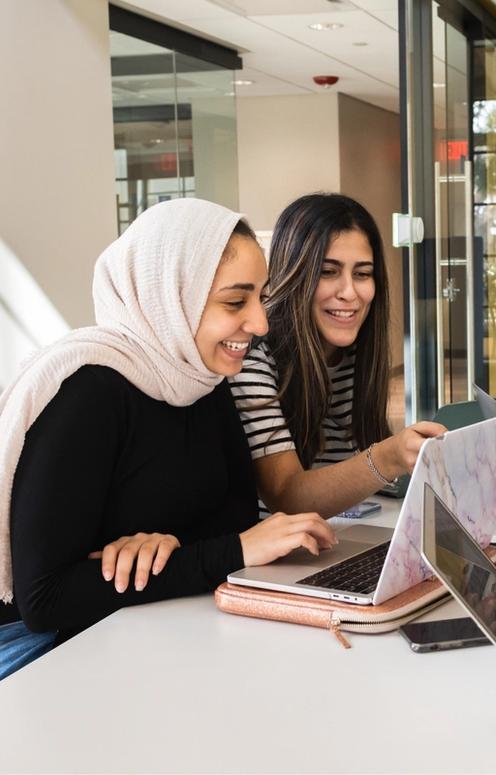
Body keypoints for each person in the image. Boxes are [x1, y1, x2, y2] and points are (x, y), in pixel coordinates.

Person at [0, 199, 337, 680]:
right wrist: (223, 552)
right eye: (234, 301)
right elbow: (45, 600)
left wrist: (169, 547)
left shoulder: (198, 377)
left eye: (260, 296)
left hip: (134, 627)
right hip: (38, 649)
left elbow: (236, 514)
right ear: (169, 295)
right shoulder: (86, 392)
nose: (261, 323)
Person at [229, 194, 443, 518]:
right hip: (274, 559)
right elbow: (286, 497)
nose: (349, 293)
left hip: (334, 536)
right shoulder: (252, 357)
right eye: (328, 272)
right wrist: (389, 456)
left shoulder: (356, 349)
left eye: (362, 274)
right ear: (294, 273)